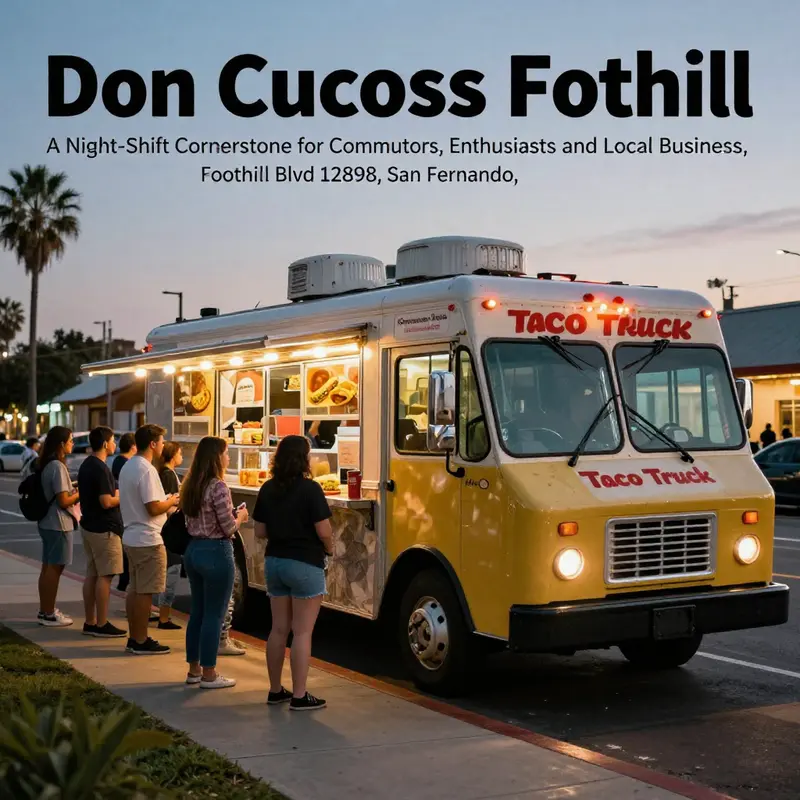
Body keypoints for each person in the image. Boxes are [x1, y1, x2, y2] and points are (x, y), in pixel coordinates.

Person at [254, 435, 334, 711]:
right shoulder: (310, 489)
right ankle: (300, 695)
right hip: (304, 563)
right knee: (302, 633)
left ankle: (276, 690)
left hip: (275, 562)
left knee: (278, 629)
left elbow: (261, 531)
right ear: (303, 458)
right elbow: (323, 530)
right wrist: (330, 548)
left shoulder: (267, 488)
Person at [181, 436, 248, 689]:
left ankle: (194, 669)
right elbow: (229, 528)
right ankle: (210, 674)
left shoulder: (190, 485)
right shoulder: (218, 487)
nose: (228, 457)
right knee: (215, 615)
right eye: (226, 453)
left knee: (197, 612)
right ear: (216, 457)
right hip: (216, 552)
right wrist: (240, 516)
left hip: (193, 550)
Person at [119, 424, 179, 655]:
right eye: (162, 442)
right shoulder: (146, 469)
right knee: (144, 591)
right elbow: (154, 507)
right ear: (153, 444)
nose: (163, 446)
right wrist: (172, 501)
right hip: (147, 538)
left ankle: (135, 636)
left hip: (132, 535)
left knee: (135, 588)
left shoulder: (129, 466)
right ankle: (141, 639)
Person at [77, 426, 127, 638]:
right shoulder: (100, 467)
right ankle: (102, 623)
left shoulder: (87, 464)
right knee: (105, 577)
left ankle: (90, 621)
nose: (115, 443)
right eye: (113, 440)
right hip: (104, 528)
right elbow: (106, 501)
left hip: (89, 526)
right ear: (106, 443)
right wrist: (123, 496)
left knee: (92, 574)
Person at [35, 426, 80, 627]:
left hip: (47, 521)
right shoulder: (57, 466)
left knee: (48, 567)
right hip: (58, 523)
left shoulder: (47, 464)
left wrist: (73, 488)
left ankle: (45, 610)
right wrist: (82, 491)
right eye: (70, 440)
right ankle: (49, 612)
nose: (73, 444)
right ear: (62, 444)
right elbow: (63, 500)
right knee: (54, 568)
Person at [151, 441, 184, 631]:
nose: (181, 456)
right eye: (179, 453)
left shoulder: (162, 473)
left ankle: (161, 613)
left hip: (164, 530)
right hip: (169, 529)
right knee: (172, 571)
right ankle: (164, 617)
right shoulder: (169, 475)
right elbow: (170, 503)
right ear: (173, 456)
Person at [113, 433, 137, 592]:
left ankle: (124, 581)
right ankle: (124, 582)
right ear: (133, 446)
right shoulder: (125, 464)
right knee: (127, 551)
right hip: (124, 510)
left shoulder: (118, 461)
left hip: (122, 510)